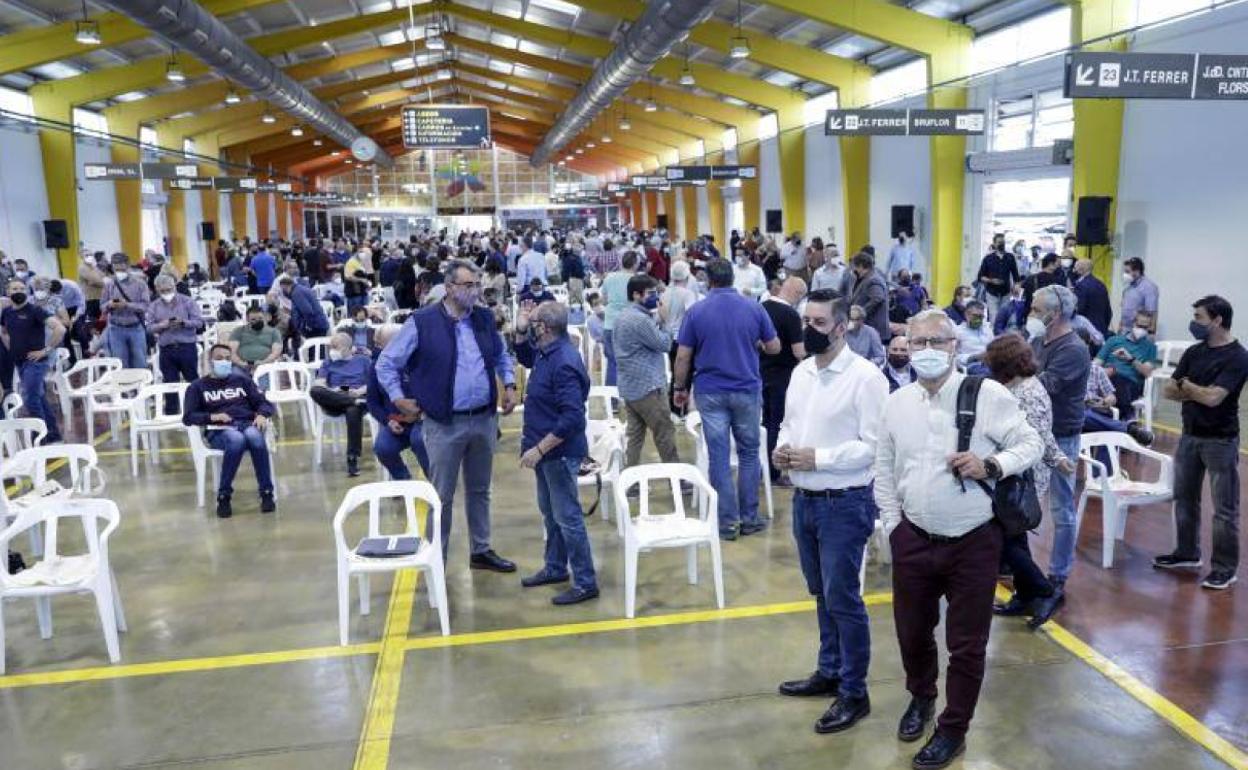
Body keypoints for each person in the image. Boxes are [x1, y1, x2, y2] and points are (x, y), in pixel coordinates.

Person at [874, 309, 1042, 768]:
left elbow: (1031, 444)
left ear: (954, 346)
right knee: (912, 632)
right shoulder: (896, 403)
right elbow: (885, 469)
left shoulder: (986, 395)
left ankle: (953, 729)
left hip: (973, 540)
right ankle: (921, 697)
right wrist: (894, 526)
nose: (927, 351)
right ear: (906, 347)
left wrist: (991, 465)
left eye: (937, 342)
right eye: (918, 342)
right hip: (913, 537)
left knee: (967, 644)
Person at [773, 289, 888, 734]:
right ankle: (830, 671)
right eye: (807, 320)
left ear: (843, 327)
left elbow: (873, 447)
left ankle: (855, 692)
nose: (809, 329)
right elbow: (789, 423)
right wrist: (784, 449)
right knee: (821, 593)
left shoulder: (865, 378)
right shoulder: (802, 372)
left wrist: (817, 458)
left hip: (844, 503)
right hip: (805, 501)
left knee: (844, 599)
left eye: (819, 323)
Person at [376, 260, 519, 569]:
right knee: (442, 494)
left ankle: (480, 549)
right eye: (469, 285)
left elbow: (501, 355)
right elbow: (386, 363)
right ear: (450, 287)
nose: (476, 291)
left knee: (480, 490)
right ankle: (435, 556)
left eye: (478, 285)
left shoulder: (483, 318)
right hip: (444, 423)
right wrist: (398, 398)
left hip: (483, 418)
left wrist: (509, 383)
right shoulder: (422, 321)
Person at [674, 259, 781, 540]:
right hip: (746, 389)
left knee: (719, 458)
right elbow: (774, 347)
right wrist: (754, 343)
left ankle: (726, 523)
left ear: (708, 280)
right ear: (733, 278)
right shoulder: (754, 307)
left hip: (710, 392)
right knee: (748, 454)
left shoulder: (696, 312)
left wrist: (679, 388)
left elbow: (683, 355)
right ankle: (749, 518)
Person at [1155, 295, 1248, 590]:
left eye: (1199, 317)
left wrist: (1188, 386)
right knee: (1184, 498)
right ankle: (1186, 552)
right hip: (1190, 435)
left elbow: (1214, 398)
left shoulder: (1238, 357)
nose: (1194, 323)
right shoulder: (1195, 352)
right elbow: (1169, 390)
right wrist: (1194, 389)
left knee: (1224, 510)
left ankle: (1224, 568)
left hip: (1220, 440)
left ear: (1217, 320)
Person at [512, 300, 598, 605]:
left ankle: (586, 581)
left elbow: (572, 417)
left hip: (559, 454)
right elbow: (523, 356)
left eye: (534, 323)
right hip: (547, 454)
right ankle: (555, 567)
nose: (532, 328)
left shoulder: (563, 361)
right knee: (551, 514)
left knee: (568, 518)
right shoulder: (547, 352)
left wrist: (539, 448)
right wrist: (521, 327)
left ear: (544, 328)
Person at [984, 334, 1071, 629]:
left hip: (1022, 478)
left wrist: (1057, 458)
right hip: (1014, 474)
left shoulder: (1028, 393)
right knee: (1015, 538)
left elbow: (1037, 438)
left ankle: (1046, 591)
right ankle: (1025, 596)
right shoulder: (1019, 387)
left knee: (1002, 538)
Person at [1027, 285, 1089, 595]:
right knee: (1023, 503)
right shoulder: (1038, 340)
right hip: (1032, 431)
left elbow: (1044, 385)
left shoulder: (1073, 349)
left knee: (1062, 508)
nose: (1031, 314)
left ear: (1056, 313)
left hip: (1061, 434)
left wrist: (1012, 379)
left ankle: (1058, 575)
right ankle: (1021, 570)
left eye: (1037, 310)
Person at [183, 344, 277, 518]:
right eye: (219, 358)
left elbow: (264, 402)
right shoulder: (197, 387)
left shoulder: (243, 381)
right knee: (236, 440)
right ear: (210, 361)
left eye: (227, 358)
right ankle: (224, 495)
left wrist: (263, 414)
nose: (224, 362)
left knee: (255, 437)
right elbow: (188, 417)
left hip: (246, 423)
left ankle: (266, 492)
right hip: (219, 430)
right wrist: (212, 417)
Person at [613, 274, 681, 468]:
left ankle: (631, 482)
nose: (655, 298)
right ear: (636, 295)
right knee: (664, 434)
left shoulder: (623, 316)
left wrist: (656, 321)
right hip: (648, 388)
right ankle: (677, 479)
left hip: (630, 387)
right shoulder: (640, 321)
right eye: (650, 293)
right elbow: (665, 344)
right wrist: (666, 322)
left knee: (634, 438)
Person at [1, 280, 66, 444]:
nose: (19, 291)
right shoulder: (7, 312)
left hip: (36, 362)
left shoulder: (35, 310)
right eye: (15, 288)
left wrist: (45, 350)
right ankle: (53, 434)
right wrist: (11, 348)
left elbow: (60, 329)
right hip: (20, 362)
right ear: (8, 291)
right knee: (39, 397)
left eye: (22, 288)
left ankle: (40, 437)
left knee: (30, 398)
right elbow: (4, 331)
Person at [366, 324, 430, 482]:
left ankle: (435, 481)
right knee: (382, 448)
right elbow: (373, 403)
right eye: (382, 345)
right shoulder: (375, 368)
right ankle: (402, 479)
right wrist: (388, 420)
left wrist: (422, 413)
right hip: (395, 421)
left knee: (419, 440)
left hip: (423, 420)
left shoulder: (420, 363)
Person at [761, 278, 807, 485]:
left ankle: (762, 469)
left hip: (760, 372)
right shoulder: (791, 315)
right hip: (783, 376)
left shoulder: (760, 308)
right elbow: (799, 351)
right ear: (797, 293)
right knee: (778, 424)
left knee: (764, 423)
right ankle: (774, 473)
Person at [309, 333, 371, 477]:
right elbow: (319, 384)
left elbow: (373, 383)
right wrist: (338, 390)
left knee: (353, 410)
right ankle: (353, 401)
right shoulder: (328, 362)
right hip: (334, 398)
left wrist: (359, 391)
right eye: (331, 346)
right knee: (314, 390)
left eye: (335, 347)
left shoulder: (363, 361)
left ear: (347, 348)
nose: (331, 350)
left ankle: (352, 457)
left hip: (357, 395)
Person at [145, 274, 204, 391]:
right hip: (166, 349)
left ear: (175, 287)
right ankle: (172, 409)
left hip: (187, 347)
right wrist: (162, 325)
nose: (167, 293)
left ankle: (197, 407)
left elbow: (199, 322)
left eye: (169, 289)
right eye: (163, 291)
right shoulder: (154, 306)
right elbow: (149, 328)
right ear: (157, 289)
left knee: (192, 381)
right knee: (169, 385)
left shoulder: (187, 302)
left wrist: (183, 323)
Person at [1095, 310, 1157, 421]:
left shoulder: (1150, 347)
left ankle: (1118, 416)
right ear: (1133, 323)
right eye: (1139, 326)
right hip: (1107, 377)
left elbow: (1147, 372)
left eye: (1145, 328)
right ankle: (1125, 416)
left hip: (1130, 382)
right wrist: (1101, 372)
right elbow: (1097, 363)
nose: (1142, 330)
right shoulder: (1114, 340)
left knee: (1119, 381)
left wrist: (1131, 359)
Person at [101, 253, 151, 369]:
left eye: (121, 268)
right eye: (115, 268)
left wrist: (127, 305)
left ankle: (140, 387)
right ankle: (125, 387)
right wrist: (109, 304)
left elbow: (145, 306)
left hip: (136, 328)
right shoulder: (109, 285)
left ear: (128, 265)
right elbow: (102, 307)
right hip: (115, 329)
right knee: (121, 365)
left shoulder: (140, 284)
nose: (118, 271)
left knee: (140, 363)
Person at [601, 251, 638, 387]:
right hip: (628, 324)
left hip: (610, 323)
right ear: (635, 264)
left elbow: (604, 300)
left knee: (612, 362)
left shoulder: (609, 278)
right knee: (630, 359)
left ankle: (612, 401)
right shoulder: (636, 280)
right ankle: (629, 395)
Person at [846, 252, 890, 343]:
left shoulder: (873, 279)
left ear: (861, 266)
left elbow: (877, 298)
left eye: (856, 267)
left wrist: (860, 313)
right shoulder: (867, 278)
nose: (855, 270)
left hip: (874, 329)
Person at [976, 234, 1019, 320]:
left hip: (1006, 292)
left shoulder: (1010, 257)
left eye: (1003, 242)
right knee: (994, 317)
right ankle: (994, 333)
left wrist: (1016, 286)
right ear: (994, 244)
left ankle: (1002, 333)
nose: (1002, 244)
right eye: (999, 242)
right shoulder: (988, 259)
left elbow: (1015, 276)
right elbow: (980, 276)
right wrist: (991, 281)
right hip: (991, 292)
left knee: (1004, 316)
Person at [229, 305, 283, 373]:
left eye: (260, 318)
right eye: (253, 319)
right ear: (247, 319)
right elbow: (231, 352)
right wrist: (241, 363)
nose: (257, 321)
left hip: (267, 366)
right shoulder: (238, 331)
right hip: (241, 366)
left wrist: (263, 363)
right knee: (237, 377)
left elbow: (276, 352)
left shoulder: (274, 332)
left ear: (264, 318)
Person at [280, 275, 330, 341]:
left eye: (282, 288)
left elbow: (307, 311)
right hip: (318, 324)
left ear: (285, 286)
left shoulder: (297, 293)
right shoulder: (299, 289)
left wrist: (307, 326)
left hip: (315, 327)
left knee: (314, 349)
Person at [1071, 258, 1112, 336]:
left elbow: (1079, 309)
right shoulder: (1101, 284)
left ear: (1081, 269)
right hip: (1101, 328)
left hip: (1086, 330)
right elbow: (1108, 311)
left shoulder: (1081, 286)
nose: (1074, 270)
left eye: (1075, 268)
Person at [1120, 257, 1159, 332]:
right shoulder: (1128, 288)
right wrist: (1120, 326)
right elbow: (1125, 311)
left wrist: (1150, 332)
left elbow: (1152, 312)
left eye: (1127, 271)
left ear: (1137, 271)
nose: (1125, 274)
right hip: (1125, 330)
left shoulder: (1149, 287)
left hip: (1139, 331)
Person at [955, 300, 993, 373]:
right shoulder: (958, 332)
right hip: (969, 365)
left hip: (988, 363)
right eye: (975, 316)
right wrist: (975, 357)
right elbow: (954, 357)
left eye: (981, 317)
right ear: (966, 314)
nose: (978, 320)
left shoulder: (987, 330)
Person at [78, 251, 106, 320]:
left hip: (98, 298)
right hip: (90, 300)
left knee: (100, 320)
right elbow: (96, 280)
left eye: (90, 255)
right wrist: (103, 283)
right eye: (86, 255)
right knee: (92, 321)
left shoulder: (93, 267)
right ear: (82, 257)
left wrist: (98, 281)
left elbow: (103, 276)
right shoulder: (83, 267)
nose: (89, 257)